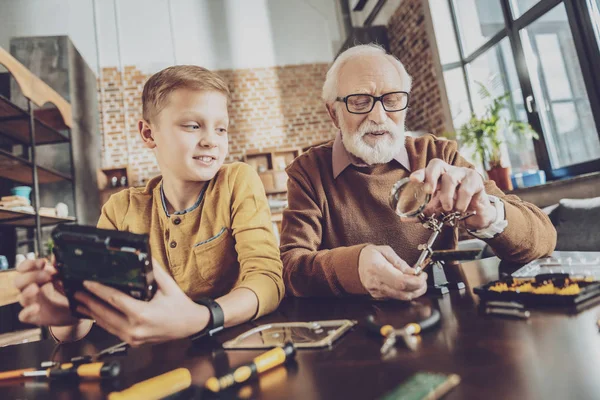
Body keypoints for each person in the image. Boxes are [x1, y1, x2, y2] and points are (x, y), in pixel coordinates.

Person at [14, 65, 284, 345]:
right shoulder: (120, 209)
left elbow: (267, 280)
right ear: (148, 133)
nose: (211, 141)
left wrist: (201, 317)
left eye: (221, 128)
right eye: (193, 126)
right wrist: (69, 310)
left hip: (236, 348)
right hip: (153, 363)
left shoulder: (237, 181)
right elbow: (91, 313)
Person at [280, 44, 556, 300]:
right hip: (355, 334)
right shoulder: (308, 172)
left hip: (448, 322)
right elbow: (291, 268)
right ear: (333, 113)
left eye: (392, 99)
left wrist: (488, 214)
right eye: (360, 102)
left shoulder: (439, 155)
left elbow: (543, 240)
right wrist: (354, 267)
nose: (378, 116)